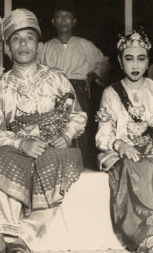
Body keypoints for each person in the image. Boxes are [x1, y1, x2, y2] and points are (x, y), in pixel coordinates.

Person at [0, 8, 87, 253]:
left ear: (39, 45)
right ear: (7, 48)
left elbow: (78, 116)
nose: (23, 44)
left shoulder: (57, 78)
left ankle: (24, 236)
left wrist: (66, 134)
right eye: (16, 39)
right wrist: (20, 143)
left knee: (58, 163)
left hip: (53, 147)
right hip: (17, 147)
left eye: (29, 37)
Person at [96, 28, 153, 253]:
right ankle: (145, 237)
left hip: (152, 147)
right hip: (120, 151)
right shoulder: (111, 94)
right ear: (120, 61)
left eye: (141, 59)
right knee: (136, 165)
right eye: (129, 58)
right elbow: (102, 135)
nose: (135, 65)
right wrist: (120, 145)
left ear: (147, 61)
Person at [38, 1, 110, 169]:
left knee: (80, 131)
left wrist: (92, 76)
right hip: (53, 95)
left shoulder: (85, 45)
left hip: (79, 93)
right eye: (59, 16)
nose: (63, 20)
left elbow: (104, 62)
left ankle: (82, 167)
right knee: (55, 133)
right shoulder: (45, 48)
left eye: (67, 17)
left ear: (74, 21)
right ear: (53, 21)